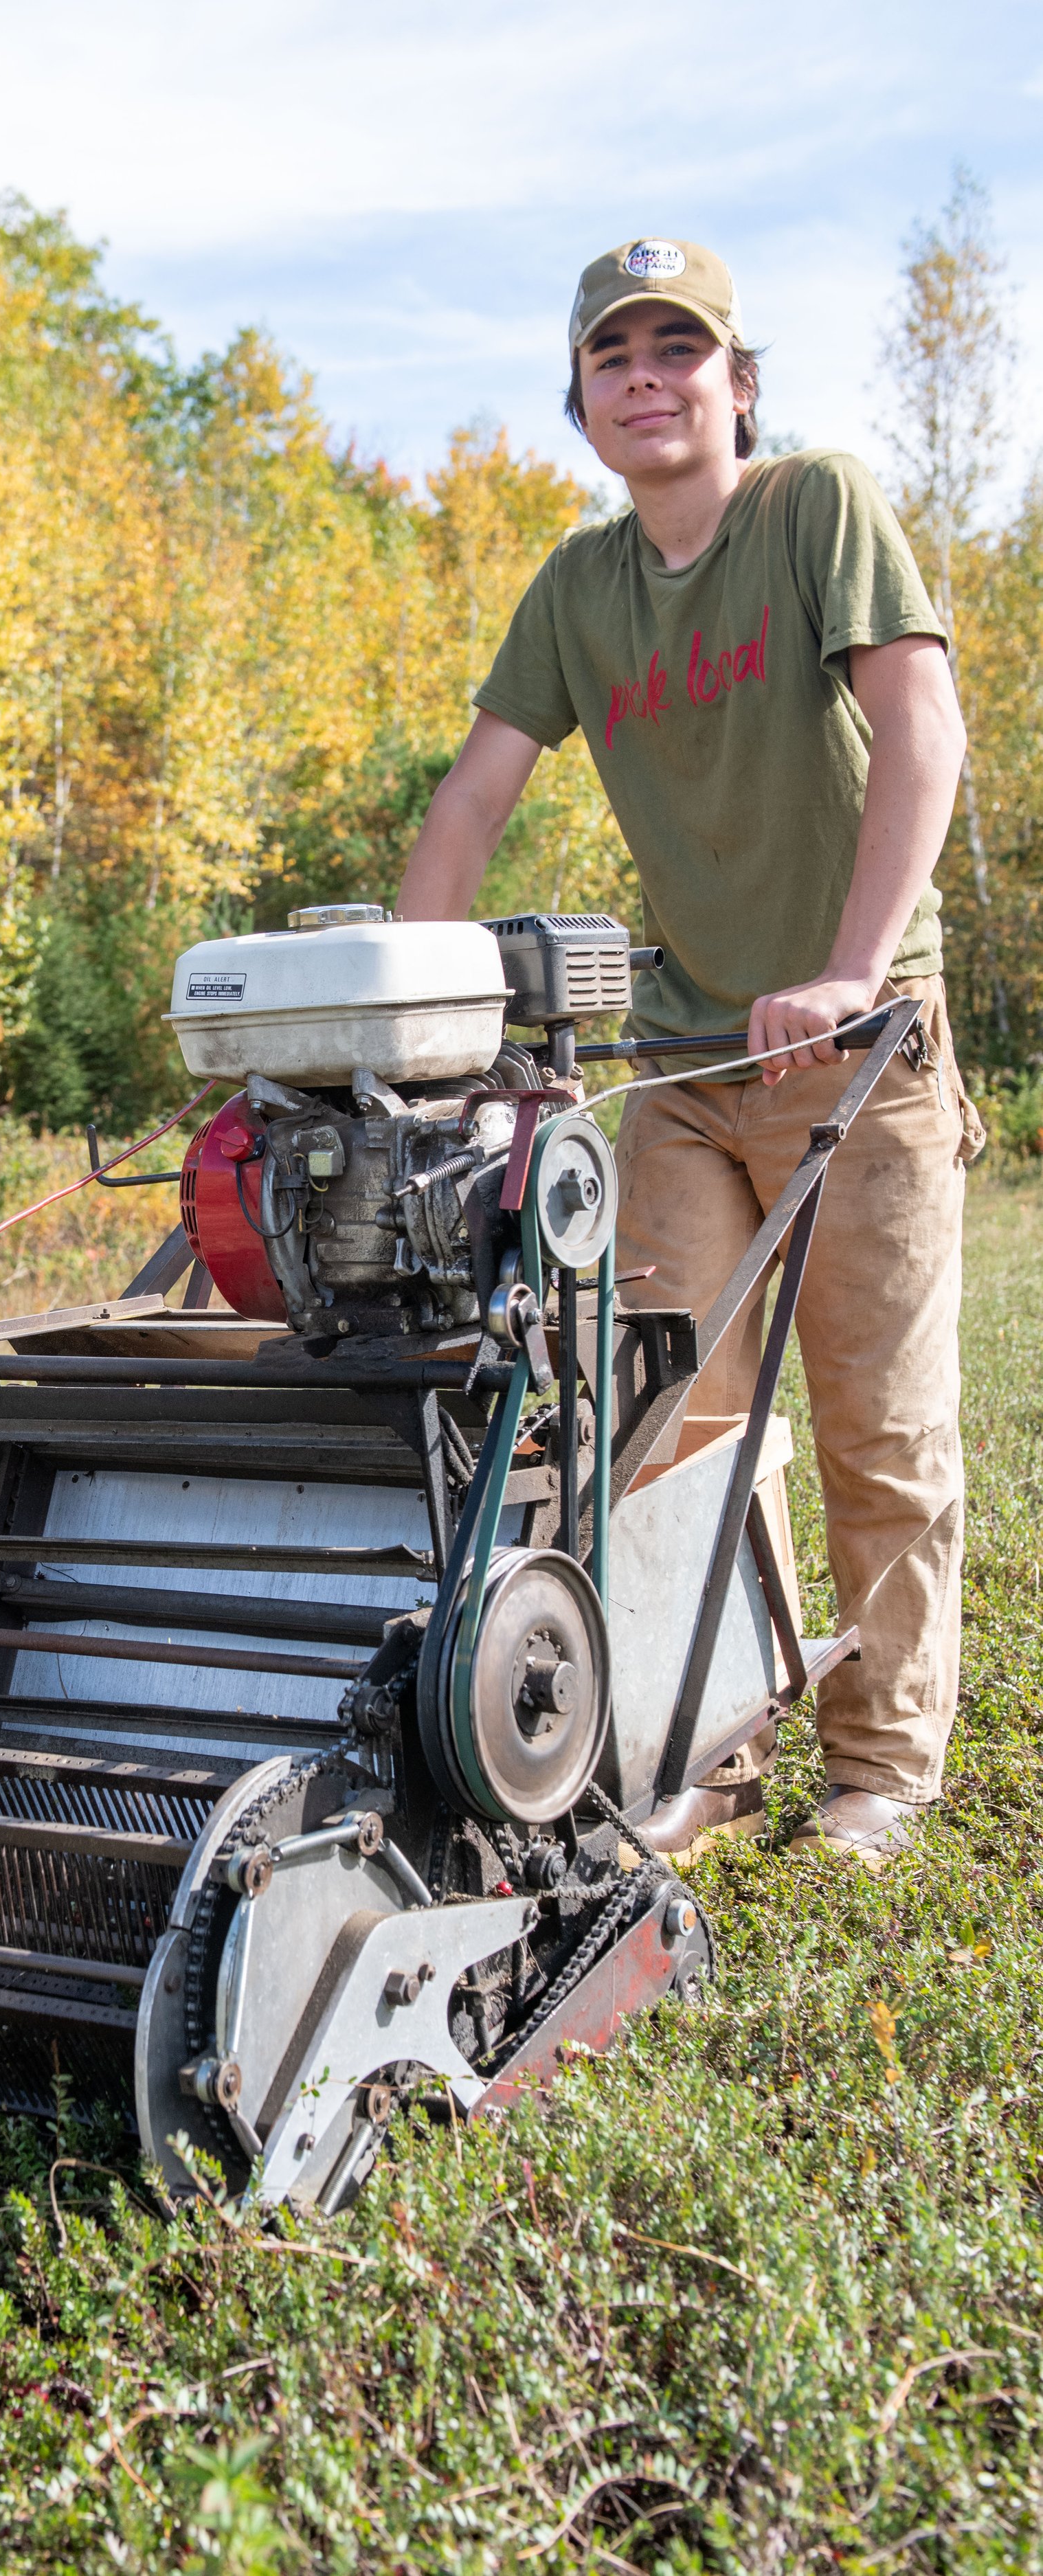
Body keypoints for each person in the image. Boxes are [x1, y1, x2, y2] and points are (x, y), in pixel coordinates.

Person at [396, 237, 983, 1873]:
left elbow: (920, 727)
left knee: (877, 1430)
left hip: (856, 1050)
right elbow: (471, 799)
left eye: (679, 348)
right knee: (667, 1430)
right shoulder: (577, 591)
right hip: (679, 1068)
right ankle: (705, 1750)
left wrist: (849, 966)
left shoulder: (815, 511)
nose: (644, 377)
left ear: (735, 381)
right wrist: (409, 1038)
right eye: (611, 356)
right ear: (579, 400)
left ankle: (877, 1772)